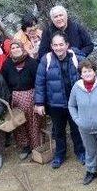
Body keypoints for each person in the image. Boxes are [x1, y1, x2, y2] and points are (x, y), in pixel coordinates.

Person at [34, 32, 85, 169]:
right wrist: (39, 103)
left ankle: (80, 152)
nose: (58, 48)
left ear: (67, 45)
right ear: (51, 46)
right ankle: (60, 154)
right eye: (55, 45)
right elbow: (40, 82)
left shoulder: (76, 57)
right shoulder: (47, 59)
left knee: (76, 129)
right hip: (55, 104)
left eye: (61, 44)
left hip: (74, 103)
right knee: (59, 131)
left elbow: (88, 75)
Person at [68, 60, 97, 186]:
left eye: (90, 70)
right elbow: (71, 105)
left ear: (94, 72)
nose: (88, 73)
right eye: (84, 71)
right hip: (84, 127)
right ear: (81, 74)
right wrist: (77, 120)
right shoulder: (76, 88)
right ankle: (91, 171)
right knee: (89, 150)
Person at [1, 41, 43, 160]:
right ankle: (25, 146)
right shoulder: (7, 63)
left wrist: (38, 100)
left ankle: (36, 147)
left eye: (17, 47)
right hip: (14, 98)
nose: (15, 49)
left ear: (22, 48)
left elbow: (39, 81)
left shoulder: (32, 62)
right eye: (12, 48)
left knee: (33, 123)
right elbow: (3, 82)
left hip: (30, 96)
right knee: (19, 124)